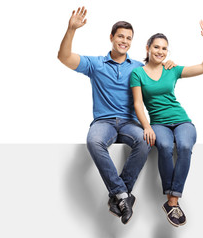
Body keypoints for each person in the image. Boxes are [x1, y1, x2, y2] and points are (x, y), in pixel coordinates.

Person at [57, 7, 176, 225]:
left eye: (129, 38)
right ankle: (123, 195)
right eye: (120, 36)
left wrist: (169, 63)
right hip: (104, 122)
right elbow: (63, 57)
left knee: (145, 140)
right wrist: (71, 29)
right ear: (111, 37)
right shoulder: (95, 64)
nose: (124, 41)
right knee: (93, 141)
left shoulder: (139, 68)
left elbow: (162, 70)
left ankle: (119, 196)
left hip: (130, 122)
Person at [130, 20, 203, 227]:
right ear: (148, 48)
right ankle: (172, 203)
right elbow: (138, 103)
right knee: (165, 147)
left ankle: (172, 201)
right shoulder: (137, 73)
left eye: (164, 48)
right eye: (156, 47)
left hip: (181, 120)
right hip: (158, 123)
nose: (160, 51)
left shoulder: (172, 69)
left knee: (185, 146)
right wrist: (147, 126)